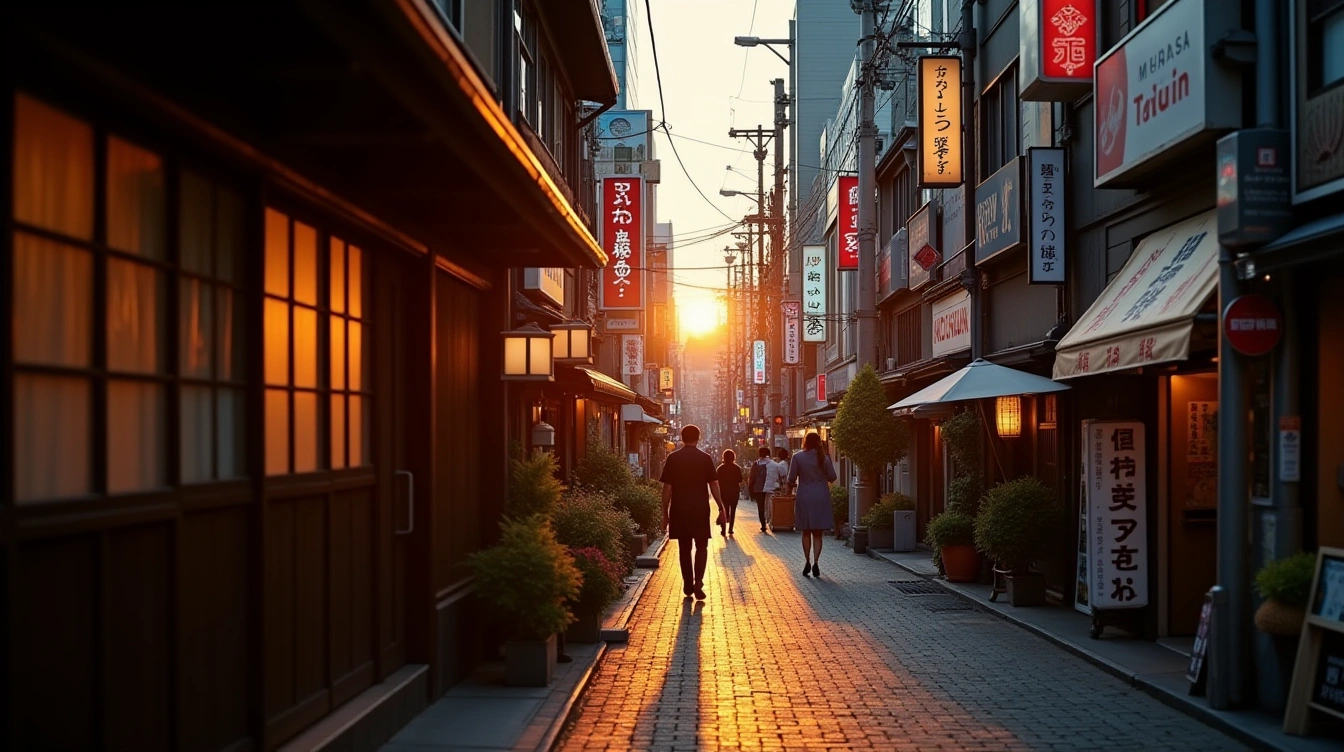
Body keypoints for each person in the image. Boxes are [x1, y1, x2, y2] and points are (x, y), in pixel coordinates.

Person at [660, 425, 727, 600]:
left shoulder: (673, 458)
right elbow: (714, 485)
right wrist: (721, 506)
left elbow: (667, 488)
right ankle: (699, 582)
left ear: (682, 438)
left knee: (684, 548)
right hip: (700, 508)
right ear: (698, 437)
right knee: (702, 546)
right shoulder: (705, 458)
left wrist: (664, 513)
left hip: (679, 508)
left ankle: (688, 583)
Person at [787, 432, 838, 578]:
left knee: (805, 531)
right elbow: (833, 477)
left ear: (805, 442)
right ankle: (816, 562)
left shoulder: (797, 457)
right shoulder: (825, 458)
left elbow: (791, 478)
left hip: (804, 495)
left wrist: (788, 491)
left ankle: (807, 561)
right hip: (821, 495)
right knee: (818, 533)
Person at [715, 449, 744, 536]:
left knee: (723, 510)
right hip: (734, 492)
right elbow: (740, 479)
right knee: (733, 510)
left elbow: (717, 481)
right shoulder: (737, 468)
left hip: (723, 492)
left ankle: (723, 529)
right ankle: (730, 529)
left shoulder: (720, 468)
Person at [747, 446, 773, 532]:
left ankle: (763, 524)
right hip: (770, 487)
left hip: (758, 489)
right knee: (769, 506)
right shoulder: (771, 464)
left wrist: (750, 488)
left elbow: (752, 478)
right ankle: (771, 522)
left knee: (760, 507)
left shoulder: (756, 464)